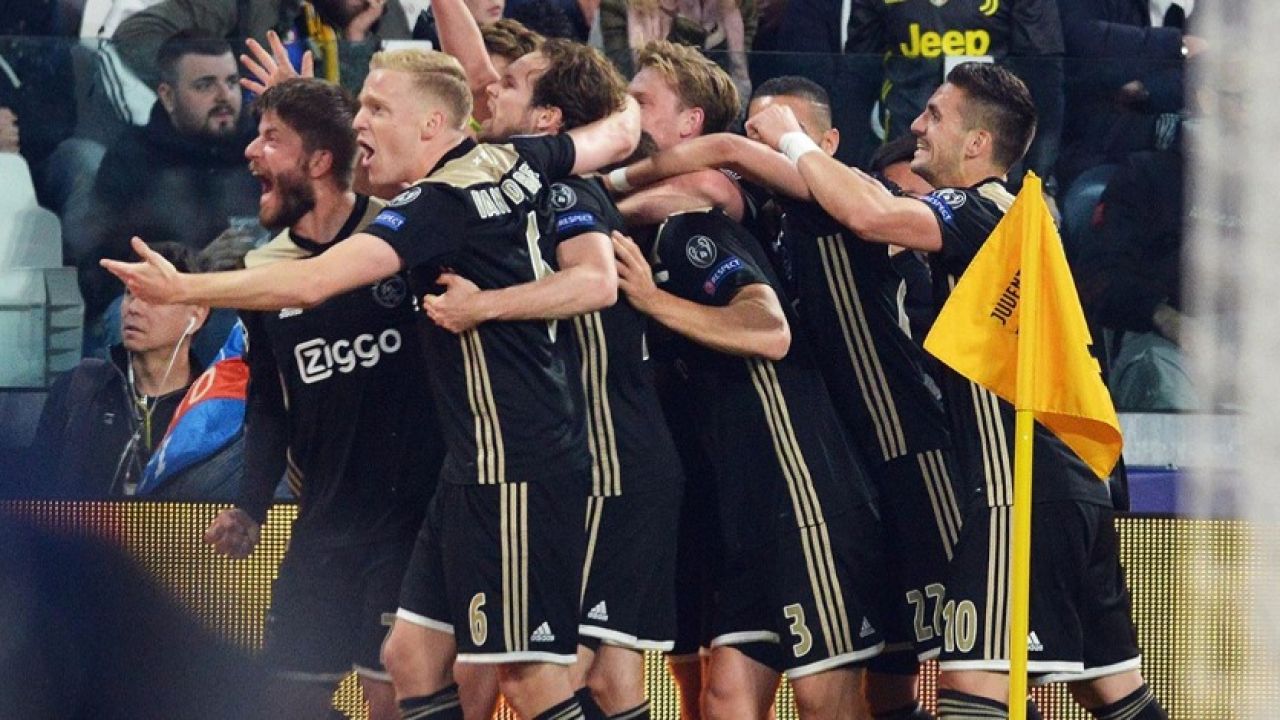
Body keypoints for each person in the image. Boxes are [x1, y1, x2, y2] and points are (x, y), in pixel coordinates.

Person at [101, 46, 640, 720]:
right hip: (467, 469)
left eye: (378, 109)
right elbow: (620, 131)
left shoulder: (437, 203)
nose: (361, 122)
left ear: (432, 124)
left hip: (515, 459)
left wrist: (184, 287)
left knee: (529, 680)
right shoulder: (513, 159)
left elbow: (315, 281)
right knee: (410, 657)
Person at [748, 61, 1167, 720]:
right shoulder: (1020, 214)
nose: (918, 123)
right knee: (1115, 695)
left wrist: (790, 139)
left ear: (977, 143)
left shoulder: (985, 208)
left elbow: (870, 215)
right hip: (1075, 485)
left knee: (971, 694)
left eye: (935, 114)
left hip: (1018, 489)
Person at [610, 74, 960, 720]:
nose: (761, 142)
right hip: (824, 470)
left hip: (905, 459)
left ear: (826, 143)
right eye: (755, 129)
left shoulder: (850, 200)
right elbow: (710, 184)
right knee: (742, 694)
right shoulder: (767, 221)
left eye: (779, 131)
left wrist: (598, 190)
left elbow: (723, 164)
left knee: (963, 668)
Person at [424, 37, 682, 720]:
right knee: (601, 677)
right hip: (593, 455)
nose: (490, 91)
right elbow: (474, 74)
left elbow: (595, 284)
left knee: (549, 673)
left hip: (609, 458)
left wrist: (481, 305)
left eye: (511, 84)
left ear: (548, 120)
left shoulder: (563, 189)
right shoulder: (511, 186)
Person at [199, 77, 443, 720]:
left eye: (271, 139)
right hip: (323, 522)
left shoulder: (399, 234)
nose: (250, 151)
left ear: (319, 161)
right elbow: (268, 400)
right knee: (282, 700)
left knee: (391, 695)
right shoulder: (262, 271)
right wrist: (251, 504)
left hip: (411, 521)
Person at [612, 207, 888, 720]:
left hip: (807, 505)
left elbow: (769, 329)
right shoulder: (646, 253)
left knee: (825, 702)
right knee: (725, 702)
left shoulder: (690, 231)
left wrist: (654, 301)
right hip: (748, 522)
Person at [77, 31, 259, 331]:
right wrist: (195, 266)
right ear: (168, 96)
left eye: (231, 82)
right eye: (205, 85)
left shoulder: (261, 150)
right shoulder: (133, 159)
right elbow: (101, 274)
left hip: (257, 295)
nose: (224, 96)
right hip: (165, 305)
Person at [23, 242, 209, 498]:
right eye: (130, 294)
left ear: (196, 316)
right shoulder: (79, 389)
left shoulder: (215, 409)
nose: (133, 308)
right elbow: (33, 497)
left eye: (153, 298)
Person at [844, 0, 1064, 190]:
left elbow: (1043, 81)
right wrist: (848, 171)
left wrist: (1039, 178)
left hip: (992, 161)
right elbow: (855, 79)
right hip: (904, 154)